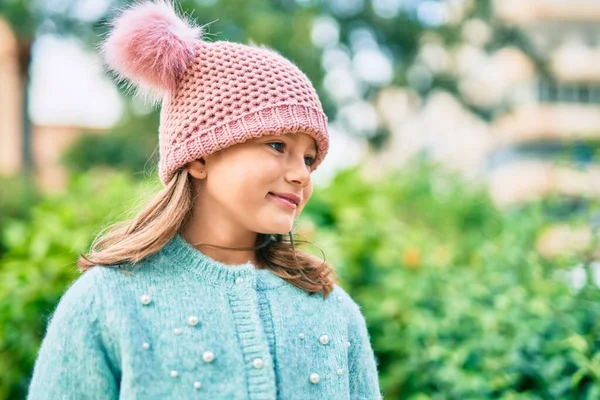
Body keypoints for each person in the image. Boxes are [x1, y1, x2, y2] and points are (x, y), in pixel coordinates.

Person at [27, 1, 381, 399]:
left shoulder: (333, 311)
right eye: (277, 144)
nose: (302, 173)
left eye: (310, 158)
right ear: (199, 155)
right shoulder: (106, 302)